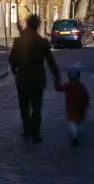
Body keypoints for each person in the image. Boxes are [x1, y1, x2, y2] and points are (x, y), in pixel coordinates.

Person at [8, 13, 61, 142]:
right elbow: (50, 61)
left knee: (24, 106)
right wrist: (56, 76)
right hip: (37, 77)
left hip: (23, 77)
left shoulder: (18, 41)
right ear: (38, 26)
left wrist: (15, 69)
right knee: (37, 107)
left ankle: (27, 130)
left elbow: (12, 59)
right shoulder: (42, 42)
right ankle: (35, 133)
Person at [56, 67, 90, 146]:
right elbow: (86, 95)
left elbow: (58, 88)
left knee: (72, 120)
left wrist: (56, 79)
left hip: (71, 105)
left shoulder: (68, 85)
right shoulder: (81, 85)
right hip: (80, 105)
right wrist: (87, 103)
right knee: (79, 120)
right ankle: (78, 132)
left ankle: (74, 136)